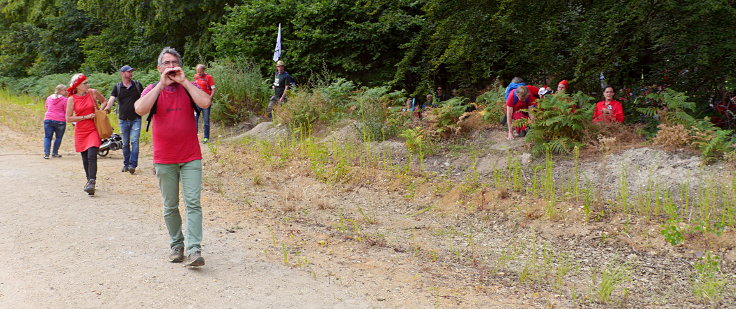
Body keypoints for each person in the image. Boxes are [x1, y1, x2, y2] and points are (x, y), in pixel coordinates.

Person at [135, 47, 211, 267]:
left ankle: (194, 249)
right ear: (159, 68)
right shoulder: (152, 89)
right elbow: (139, 109)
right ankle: (176, 245)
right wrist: (161, 85)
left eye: (174, 63)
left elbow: (205, 103)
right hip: (164, 158)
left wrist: (185, 81)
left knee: (193, 203)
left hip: (190, 156)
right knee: (170, 205)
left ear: (180, 66)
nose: (170, 67)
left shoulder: (189, 88)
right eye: (166, 63)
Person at [65, 74, 106, 195]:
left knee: (92, 154)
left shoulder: (92, 93)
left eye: (87, 82)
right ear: (77, 86)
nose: (88, 85)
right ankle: (89, 181)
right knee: (85, 157)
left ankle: (92, 181)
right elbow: (68, 118)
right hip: (81, 130)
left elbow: (104, 102)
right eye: (85, 83)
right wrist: (85, 117)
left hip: (93, 128)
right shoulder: (72, 99)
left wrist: (100, 112)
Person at [103, 65, 143, 174]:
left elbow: (144, 98)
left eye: (131, 72)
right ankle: (126, 164)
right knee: (125, 143)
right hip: (123, 119)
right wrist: (106, 109)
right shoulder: (117, 87)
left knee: (134, 142)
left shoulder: (138, 85)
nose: (131, 73)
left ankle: (132, 165)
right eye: (129, 72)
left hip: (136, 118)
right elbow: (111, 100)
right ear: (123, 73)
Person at [43, 84, 68, 159]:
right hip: (60, 120)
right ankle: (55, 153)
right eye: (64, 90)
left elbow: (46, 107)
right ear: (61, 91)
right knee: (58, 137)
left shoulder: (49, 98)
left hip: (48, 118)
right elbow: (66, 110)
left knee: (47, 137)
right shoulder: (64, 100)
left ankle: (46, 153)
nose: (66, 91)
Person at [193, 64, 216, 143]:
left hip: (205, 102)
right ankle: (194, 137)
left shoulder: (208, 77)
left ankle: (206, 137)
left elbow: (213, 89)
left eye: (200, 72)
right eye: (197, 72)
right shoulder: (195, 76)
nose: (198, 73)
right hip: (197, 102)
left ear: (203, 71)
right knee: (194, 119)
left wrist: (210, 98)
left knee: (206, 120)